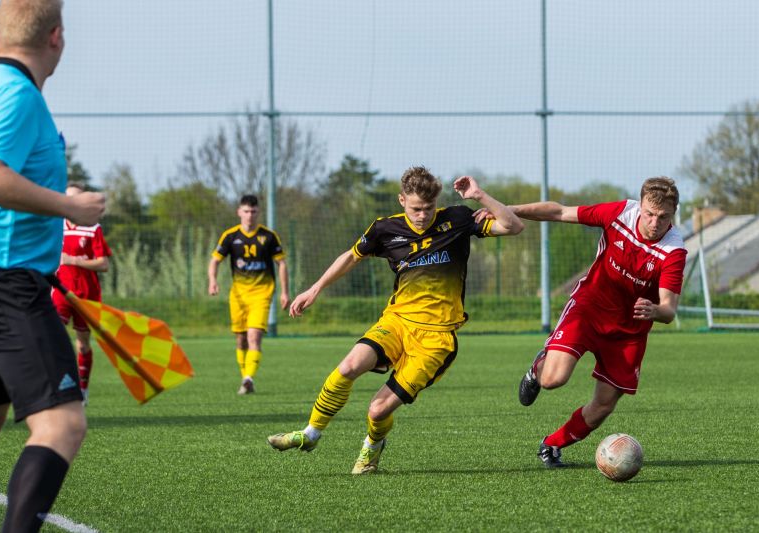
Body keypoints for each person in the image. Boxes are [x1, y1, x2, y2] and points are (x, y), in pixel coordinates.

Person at [267, 167, 524, 474]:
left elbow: (513, 226)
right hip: (397, 322)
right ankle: (310, 434)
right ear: (402, 200)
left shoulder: (457, 219)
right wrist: (315, 288)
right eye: (416, 208)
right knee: (348, 366)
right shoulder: (384, 229)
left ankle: (372, 448)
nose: (423, 215)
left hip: (436, 340)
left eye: (429, 208)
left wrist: (479, 196)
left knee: (376, 411)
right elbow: (350, 256)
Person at [0, 0, 106, 530]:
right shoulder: (16, 95)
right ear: (57, 37)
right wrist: (69, 205)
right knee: (62, 426)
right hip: (4, 281)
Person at [504, 176, 686, 467]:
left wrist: (655, 310)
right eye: (650, 214)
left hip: (629, 331)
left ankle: (551, 445)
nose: (655, 223)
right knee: (553, 379)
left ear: (672, 215)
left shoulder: (673, 250)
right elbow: (560, 212)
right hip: (589, 309)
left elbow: (669, 309)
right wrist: (508, 208)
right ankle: (538, 368)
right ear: (640, 207)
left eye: (663, 217)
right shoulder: (620, 214)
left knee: (603, 406)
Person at [208, 194, 290, 395]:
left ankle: (248, 378)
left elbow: (281, 263)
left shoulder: (269, 236)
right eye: (246, 211)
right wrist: (212, 280)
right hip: (238, 296)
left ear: (258, 212)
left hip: (262, 294)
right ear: (239, 212)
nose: (250, 215)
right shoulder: (230, 236)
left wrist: (285, 292)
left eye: (253, 211)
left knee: (254, 336)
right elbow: (215, 260)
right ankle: (245, 377)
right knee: (241, 339)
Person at [51, 182, 113, 406]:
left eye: (75, 198)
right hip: (60, 290)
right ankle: (56, 386)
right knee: (52, 336)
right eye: (67, 198)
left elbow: (104, 264)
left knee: (82, 344)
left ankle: (83, 389)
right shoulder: (54, 226)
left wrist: (75, 260)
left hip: (87, 293)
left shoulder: (92, 228)